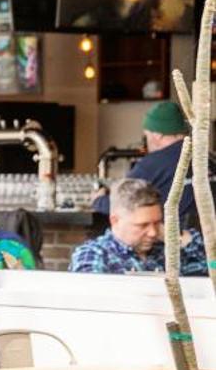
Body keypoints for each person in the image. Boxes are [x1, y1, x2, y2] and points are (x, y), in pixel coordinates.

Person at [91, 99, 210, 231]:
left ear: (157, 135)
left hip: (170, 243)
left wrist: (99, 200)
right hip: (206, 241)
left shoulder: (153, 164)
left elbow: (122, 203)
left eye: (147, 135)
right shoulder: (206, 157)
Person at [70, 177, 206, 275]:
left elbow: (212, 266)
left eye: (157, 222)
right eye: (143, 225)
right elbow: (90, 303)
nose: (153, 232)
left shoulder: (167, 252)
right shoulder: (94, 254)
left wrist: (180, 238)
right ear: (115, 220)